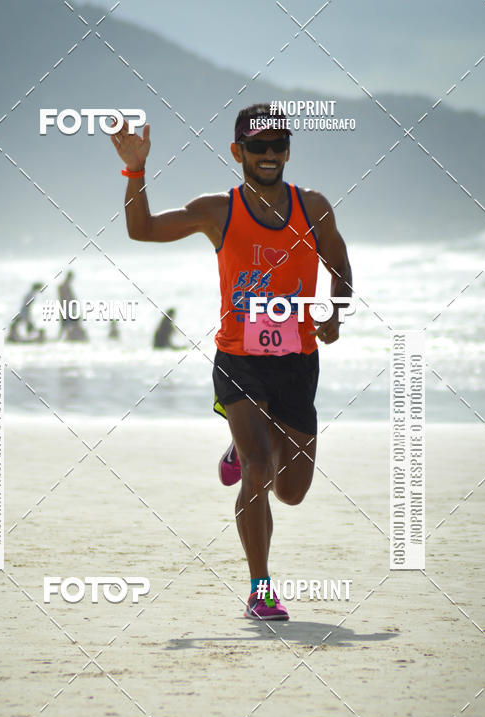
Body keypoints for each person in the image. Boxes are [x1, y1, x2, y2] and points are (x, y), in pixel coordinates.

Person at [111, 102, 352, 622]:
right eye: (258, 147)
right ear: (237, 151)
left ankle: (244, 444)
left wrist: (335, 311)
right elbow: (142, 229)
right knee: (260, 470)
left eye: (278, 145)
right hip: (237, 359)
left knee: (291, 492)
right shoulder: (218, 210)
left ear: (287, 150)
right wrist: (135, 170)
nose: (270, 155)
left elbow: (340, 263)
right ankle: (260, 589)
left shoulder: (313, 207)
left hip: (297, 363)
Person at [57, 271, 88, 341]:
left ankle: (64, 338)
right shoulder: (63, 286)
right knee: (68, 325)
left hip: (67, 308)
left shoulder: (64, 286)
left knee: (67, 326)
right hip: (67, 309)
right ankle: (64, 338)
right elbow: (66, 299)